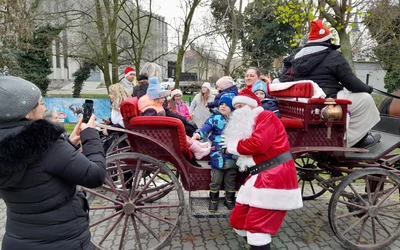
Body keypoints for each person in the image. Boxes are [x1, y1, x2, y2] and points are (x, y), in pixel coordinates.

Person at [0, 76, 106, 250]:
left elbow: (36, 170)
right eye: (41, 103)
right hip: (62, 240)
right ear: (26, 112)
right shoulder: (46, 144)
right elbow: (95, 175)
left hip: (18, 239)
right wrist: (91, 135)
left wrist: (68, 144)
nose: (45, 107)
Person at [278, 19, 381, 148]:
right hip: (327, 105)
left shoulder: (295, 58)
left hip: (303, 105)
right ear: (327, 40)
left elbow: (284, 79)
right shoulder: (334, 56)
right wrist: (368, 89)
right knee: (365, 99)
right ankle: (354, 139)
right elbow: (352, 83)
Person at [222, 88, 303, 250]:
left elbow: (258, 144)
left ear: (251, 106)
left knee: (257, 226)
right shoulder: (252, 122)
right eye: (235, 108)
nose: (237, 112)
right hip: (259, 175)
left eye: (240, 107)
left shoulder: (266, 116)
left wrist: (232, 146)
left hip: (274, 176)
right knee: (238, 220)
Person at [139, 77, 210, 160]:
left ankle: (197, 145)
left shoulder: (156, 106)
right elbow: (153, 125)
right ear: (156, 99)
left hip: (163, 132)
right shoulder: (151, 109)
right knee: (181, 135)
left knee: (184, 134)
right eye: (162, 98)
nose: (164, 100)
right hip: (161, 135)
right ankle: (198, 150)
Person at [192, 92, 238, 212]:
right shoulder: (215, 118)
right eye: (221, 104)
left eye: (226, 105)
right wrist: (199, 134)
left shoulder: (236, 120)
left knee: (230, 180)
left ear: (232, 107)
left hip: (232, 155)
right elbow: (206, 127)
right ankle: (213, 201)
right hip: (217, 155)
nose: (223, 106)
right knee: (215, 179)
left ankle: (229, 200)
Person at [138, 62, 198, 136]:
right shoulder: (152, 90)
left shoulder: (145, 89)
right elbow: (165, 112)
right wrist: (184, 120)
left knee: (188, 126)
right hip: (160, 128)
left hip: (160, 123)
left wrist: (184, 119)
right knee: (190, 128)